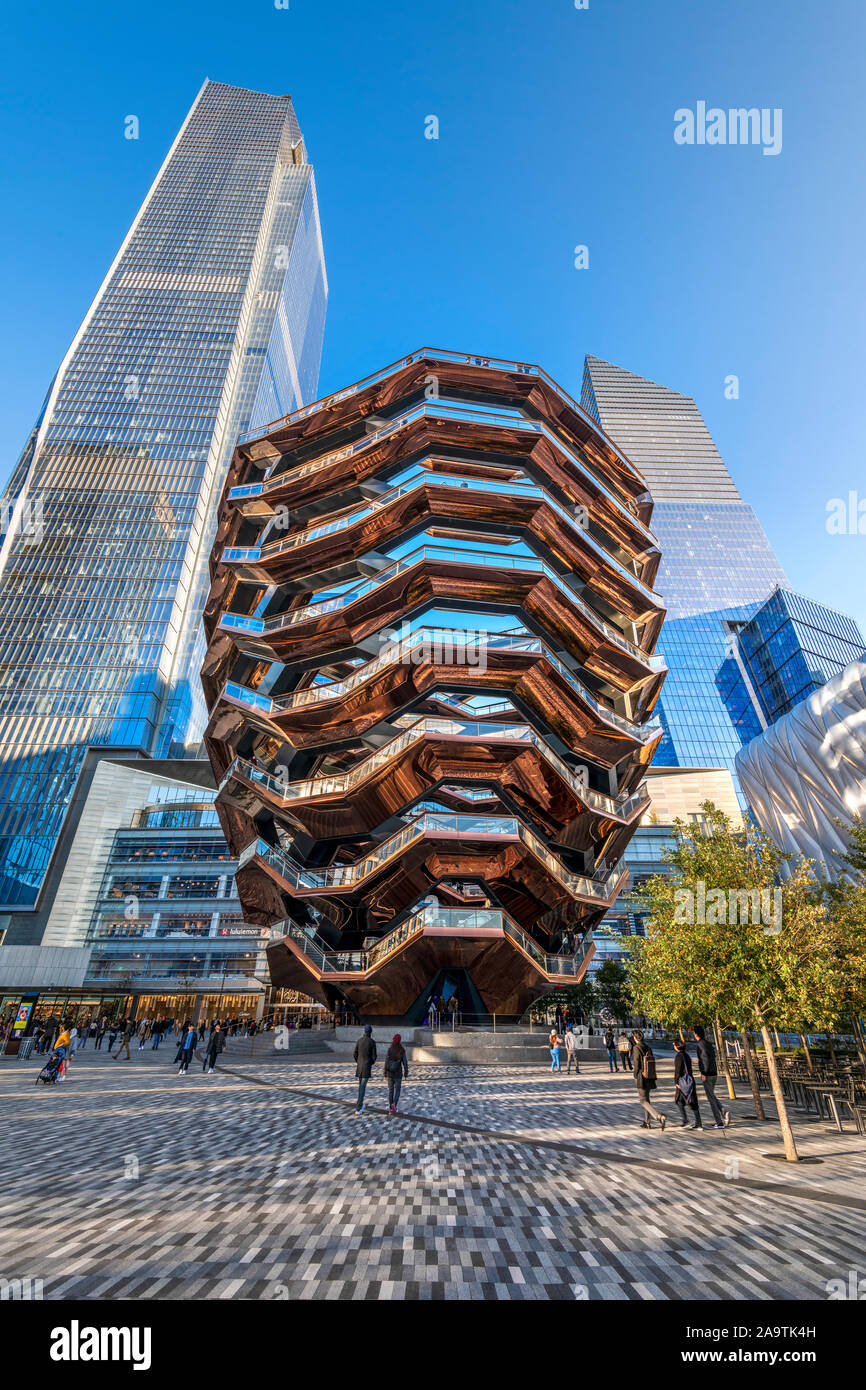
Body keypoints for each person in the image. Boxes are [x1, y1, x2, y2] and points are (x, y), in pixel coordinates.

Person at [692, 1026, 730, 1129]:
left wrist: (703, 1073)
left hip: (708, 1074)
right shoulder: (708, 1043)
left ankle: (720, 1122)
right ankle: (724, 1112)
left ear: (696, 1034)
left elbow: (704, 1060)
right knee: (712, 1095)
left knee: (711, 1099)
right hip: (714, 1073)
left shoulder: (700, 1045)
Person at [631, 1029, 666, 1131]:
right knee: (647, 1099)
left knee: (642, 1100)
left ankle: (658, 1116)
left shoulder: (636, 1047)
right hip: (649, 1075)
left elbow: (636, 1062)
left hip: (641, 1076)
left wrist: (635, 1075)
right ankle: (647, 1122)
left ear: (635, 1038)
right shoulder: (648, 1047)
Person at [673, 1038, 702, 1129]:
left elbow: (677, 1071)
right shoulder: (687, 1055)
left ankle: (686, 1121)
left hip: (683, 1082)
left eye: (674, 1045)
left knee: (680, 1101)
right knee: (691, 1102)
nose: (673, 1046)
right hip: (690, 1081)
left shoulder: (678, 1056)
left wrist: (676, 1082)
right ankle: (698, 1123)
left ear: (677, 1047)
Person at [353, 1024, 377, 1115]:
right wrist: (370, 1063)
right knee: (362, 1088)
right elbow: (374, 1057)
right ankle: (358, 1108)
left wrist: (358, 1062)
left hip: (359, 1067)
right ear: (370, 1032)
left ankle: (361, 1105)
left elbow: (355, 1054)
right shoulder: (372, 1042)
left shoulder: (359, 1041)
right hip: (366, 1068)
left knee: (361, 1087)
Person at [383, 1033, 409, 1114]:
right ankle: (394, 1105)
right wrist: (406, 1073)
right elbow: (405, 1062)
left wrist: (385, 1073)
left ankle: (391, 1107)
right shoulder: (402, 1050)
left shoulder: (390, 1049)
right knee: (397, 1090)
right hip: (398, 1074)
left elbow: (386, 1062)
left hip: (390, 1073)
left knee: (391, 1091)